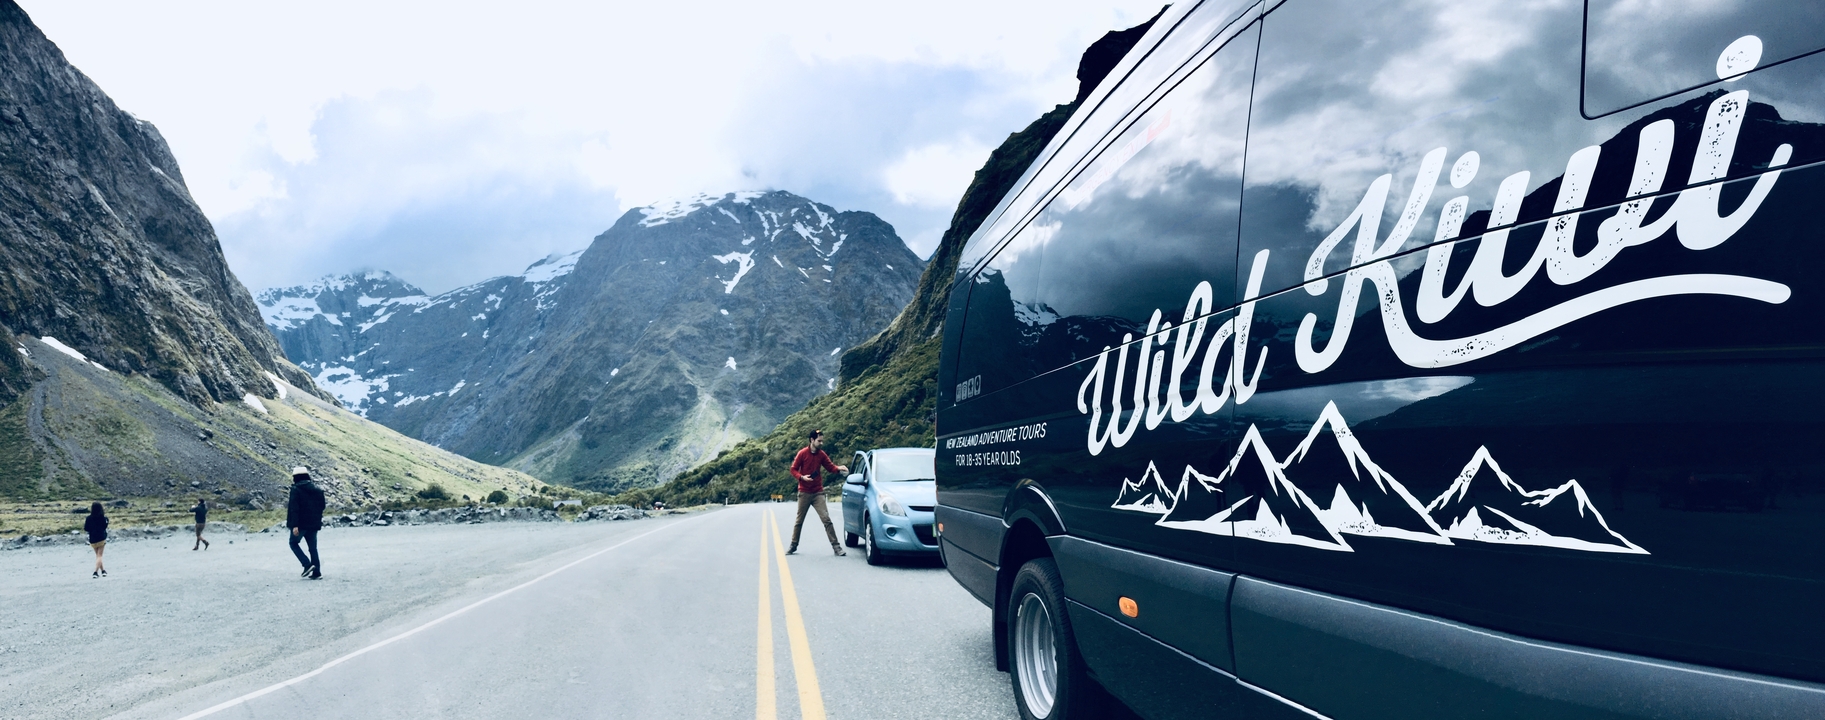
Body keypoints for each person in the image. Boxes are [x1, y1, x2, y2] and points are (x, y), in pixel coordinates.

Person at [787, 429, 848, 556]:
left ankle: (836, 547)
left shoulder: (822, 454)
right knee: (799, 521)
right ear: (812, 440)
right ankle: (793, 545)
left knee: (826, 519)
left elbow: (830, 467)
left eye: (822, 441)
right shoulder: (802, 453)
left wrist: (839, 468)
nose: (821, 443)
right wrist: (802, 477)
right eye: (819, 441)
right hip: (804, 492)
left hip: (818, 492)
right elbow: (793, 469)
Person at [286, 467, 326, 579]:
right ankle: (317, 572)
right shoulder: (317, 490)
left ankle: (306, 564)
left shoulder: (296, 489)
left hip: (300, 524)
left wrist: (294, 525)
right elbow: (322, 506)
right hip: (314, 524)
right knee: (313, 548)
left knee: (293, 543)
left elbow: (294, 508)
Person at [84, 502, 108, 578]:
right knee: (100, 556)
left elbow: (86, 528)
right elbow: (105, 527)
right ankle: (95, 572)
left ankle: (103, 571)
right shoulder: (103, 518)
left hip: (93, 539)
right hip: (101, 537)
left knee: (97, 556)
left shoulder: (88, 518)